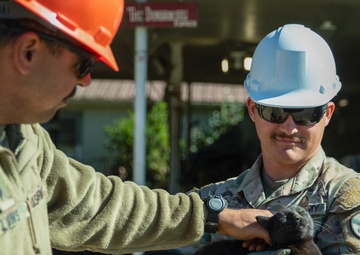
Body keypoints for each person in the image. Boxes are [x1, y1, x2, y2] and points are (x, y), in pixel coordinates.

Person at [0, 1, 274, 254]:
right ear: (28, 52)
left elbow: (95, 205)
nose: (85, 81)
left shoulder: (25, 139)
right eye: (83, 64)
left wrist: (213, 216)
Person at [185, 24, 360, 254]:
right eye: (274, 112)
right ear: (252, 110)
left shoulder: (348, 197)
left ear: (327, 114)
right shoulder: (212, 204)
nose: (288, 128)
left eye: (305, 114)